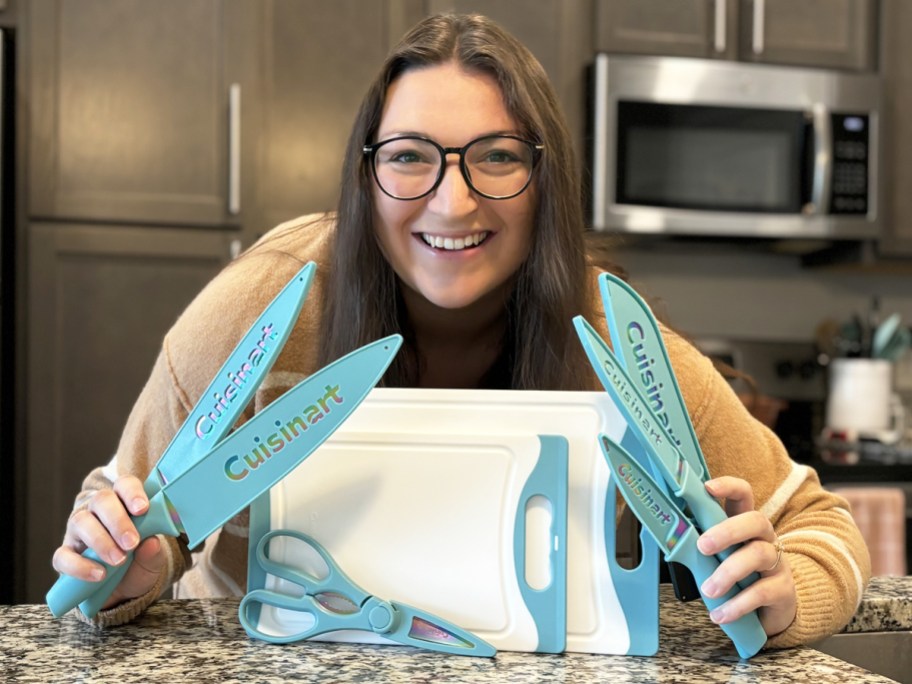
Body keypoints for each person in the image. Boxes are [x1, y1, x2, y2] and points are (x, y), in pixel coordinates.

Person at [53, 13, 870, 648]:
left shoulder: (613, 342)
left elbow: (823, 529)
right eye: (410, 156)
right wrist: (128, 571)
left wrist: (785, 591)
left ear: (545, 180)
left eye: (498, 156)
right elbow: (117, 516)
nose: (453, 200)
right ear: (365, 174)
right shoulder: (261, 309)